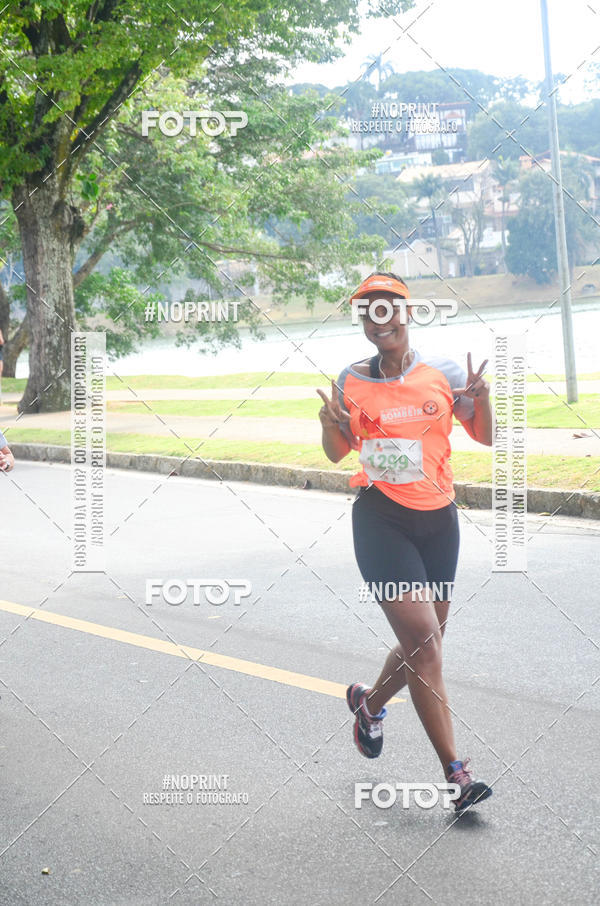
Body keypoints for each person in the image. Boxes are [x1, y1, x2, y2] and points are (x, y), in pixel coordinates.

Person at [317, 272, 493, 813]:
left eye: (388, 307)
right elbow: (336, 452)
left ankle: (369, 705)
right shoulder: (350, 379)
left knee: (427, 643)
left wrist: (482, 400)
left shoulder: (441, 373)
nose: (379, 318)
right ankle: (456, 775)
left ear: (407, 314)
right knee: (425, 644)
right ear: (365, 324)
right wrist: (329, 424)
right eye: (368, 310)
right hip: (380, 522)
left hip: (439, 521)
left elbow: (484, 435)